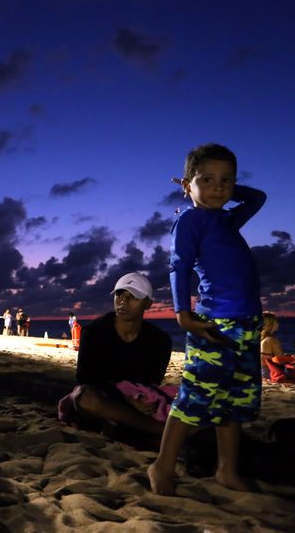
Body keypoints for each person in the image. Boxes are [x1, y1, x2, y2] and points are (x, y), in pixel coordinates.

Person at [148, 143, 266, 496]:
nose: (218, 188)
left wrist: (225, 189)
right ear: (188, 185)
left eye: (226, 181)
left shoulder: (227, 217)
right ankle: (162, 466)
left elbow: (257, 198)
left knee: (235, 401)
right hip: (214, 322)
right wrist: (182, 312)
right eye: (207, 180)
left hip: (247, 323)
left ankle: (226, 471)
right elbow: (179, 266)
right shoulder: (190, 219)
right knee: (194, 398)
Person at [58, 272, 173, 439]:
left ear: (148, 304)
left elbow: (152, 382)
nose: (123, 301)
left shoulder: (160, 340)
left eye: (133, 296)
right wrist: (124, 399)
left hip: (138, 398)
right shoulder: (94, 331)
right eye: (119, 294)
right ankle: (161, 432)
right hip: (104, 397)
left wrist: (137, 399)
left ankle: (120, 425)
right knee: (83, 396)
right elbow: (85, 377)